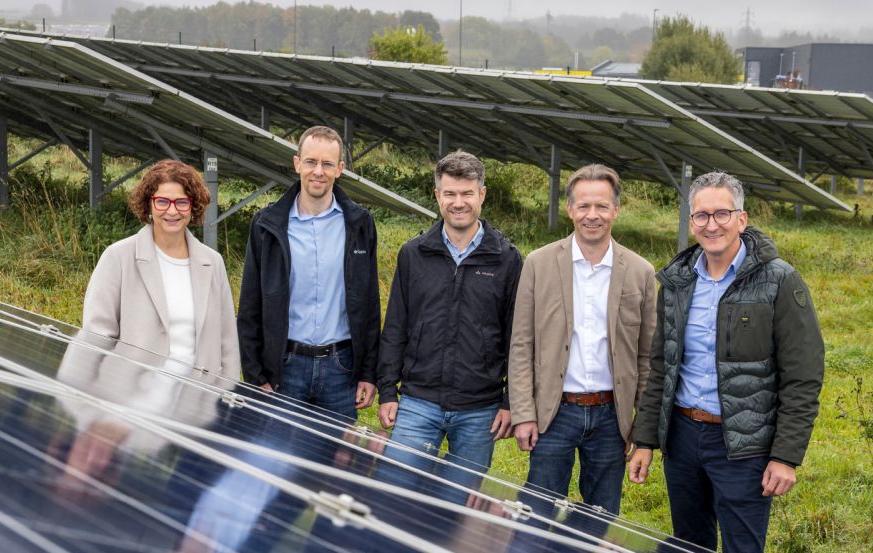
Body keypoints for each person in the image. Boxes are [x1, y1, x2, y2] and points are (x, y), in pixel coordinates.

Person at [628, 171, 824, 553]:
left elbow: (802, 375)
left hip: (742, 445)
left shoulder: (778, 281)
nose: (711, 224)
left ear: (742, 219)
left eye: (722, 214)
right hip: (683, 437)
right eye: (701, 216)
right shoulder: (678, 281)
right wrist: (646, 439)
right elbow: (661, 366)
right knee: (688, 547)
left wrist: (785, 456)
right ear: (691, 221)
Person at [509, 164, 657, 515]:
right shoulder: (539, 263)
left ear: (616, 209)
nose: (593, 215)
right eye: (584, 206)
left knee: (601, 517)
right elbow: (521, 345)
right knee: (536, 513)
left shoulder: (641, 272)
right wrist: (523, 413)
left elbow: (648, 356)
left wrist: (643, 426)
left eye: (602, 206)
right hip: (554, 412)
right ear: (570, 208)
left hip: (611, 417)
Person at [376, 150, 521, 473]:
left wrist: (511, 402)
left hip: (479, 408)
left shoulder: (507, 259)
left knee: (457, 507)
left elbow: (517, 338)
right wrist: (388, 391)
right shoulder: (414, 254)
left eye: (467, 193)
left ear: (482, 194)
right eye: (450, 194)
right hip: (417, 402)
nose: (459, 202)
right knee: (392, 493)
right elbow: (396, 327)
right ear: (437, 195)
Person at [237, 125, 380, 420]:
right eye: (311, 161)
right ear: (297, 163)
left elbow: (369, 304)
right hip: (285, 367)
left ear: (340, 169)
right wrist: (255, 375)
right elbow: (250, 306)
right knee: (280, 462)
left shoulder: (359, 224)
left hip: (341, 368)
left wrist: (369, 373)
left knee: (335, 461)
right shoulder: (267, 225)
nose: (318, 171)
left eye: (328, 164)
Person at [81, 158, 240, 379]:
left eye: (182, 202)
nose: (172, 211)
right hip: (133, 401)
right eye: (162, 201)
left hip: (197, 401)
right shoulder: (118, 258)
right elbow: (96, 337)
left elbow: (228, 342)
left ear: (193, 206)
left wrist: (226, 399)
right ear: (148, 204)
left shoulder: (213, 263)